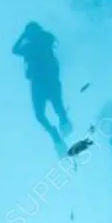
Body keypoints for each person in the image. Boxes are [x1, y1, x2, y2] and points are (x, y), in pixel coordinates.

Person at [13, 22, 71, 156]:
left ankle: (55, 133)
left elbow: (15, 50)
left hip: (39, 83)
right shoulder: (46, 39)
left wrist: (23, 36)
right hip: (50, 80)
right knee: (57, 106)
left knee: (40, 114)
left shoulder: (30, 46)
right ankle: (63, 123)